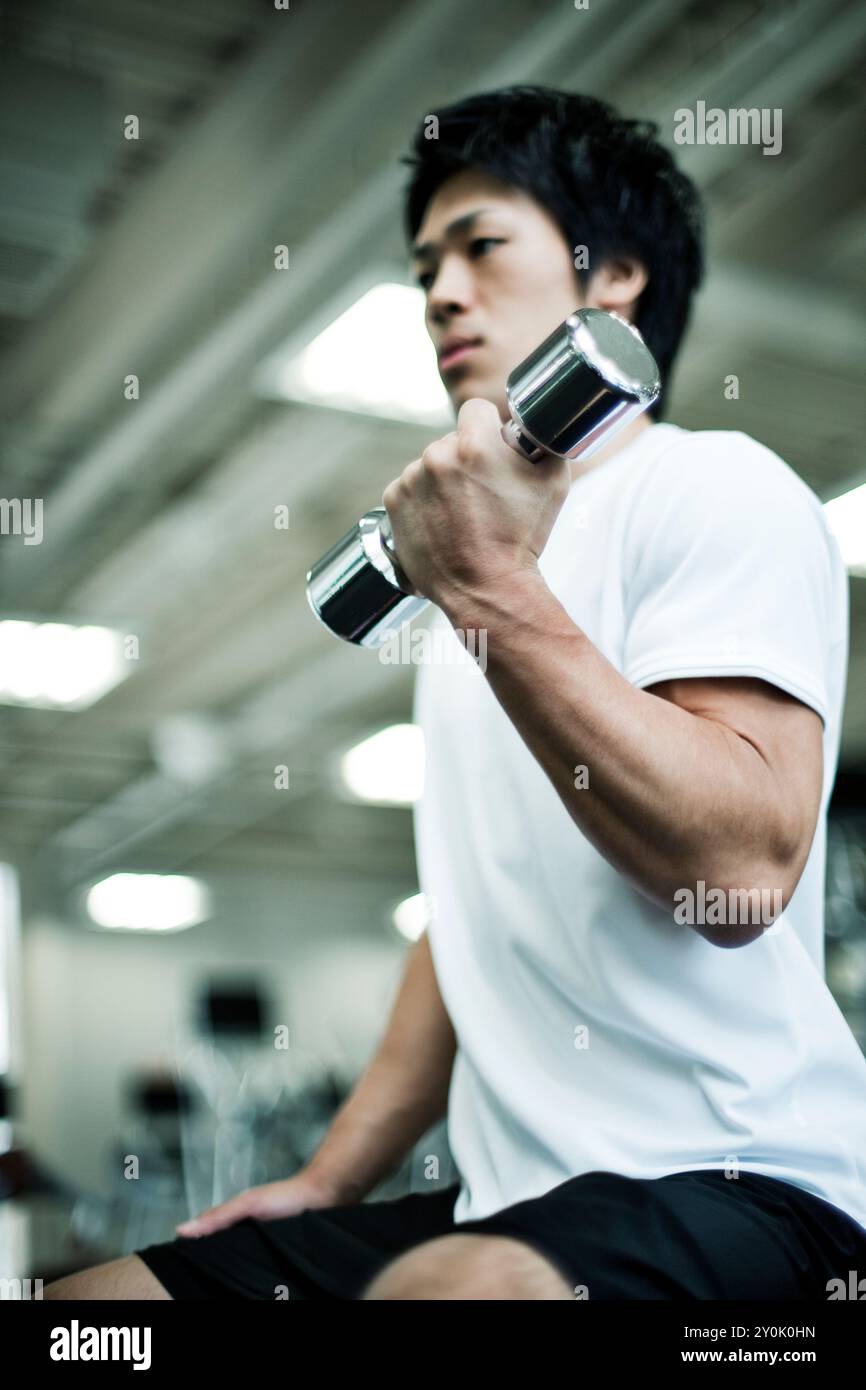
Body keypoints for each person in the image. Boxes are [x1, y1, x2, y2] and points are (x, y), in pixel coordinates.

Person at [44, 84, 866, 1302]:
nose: (436, 291)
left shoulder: (712, 487)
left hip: (743, 1182)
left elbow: (741, 870)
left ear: (617, 278)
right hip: (511, 1201)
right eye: (424, 263)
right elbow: (471, 915)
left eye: (481, 245)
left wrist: (488, 592)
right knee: (95, 1315)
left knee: (447, 1296)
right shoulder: (465, 597)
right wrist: (329, 1177)